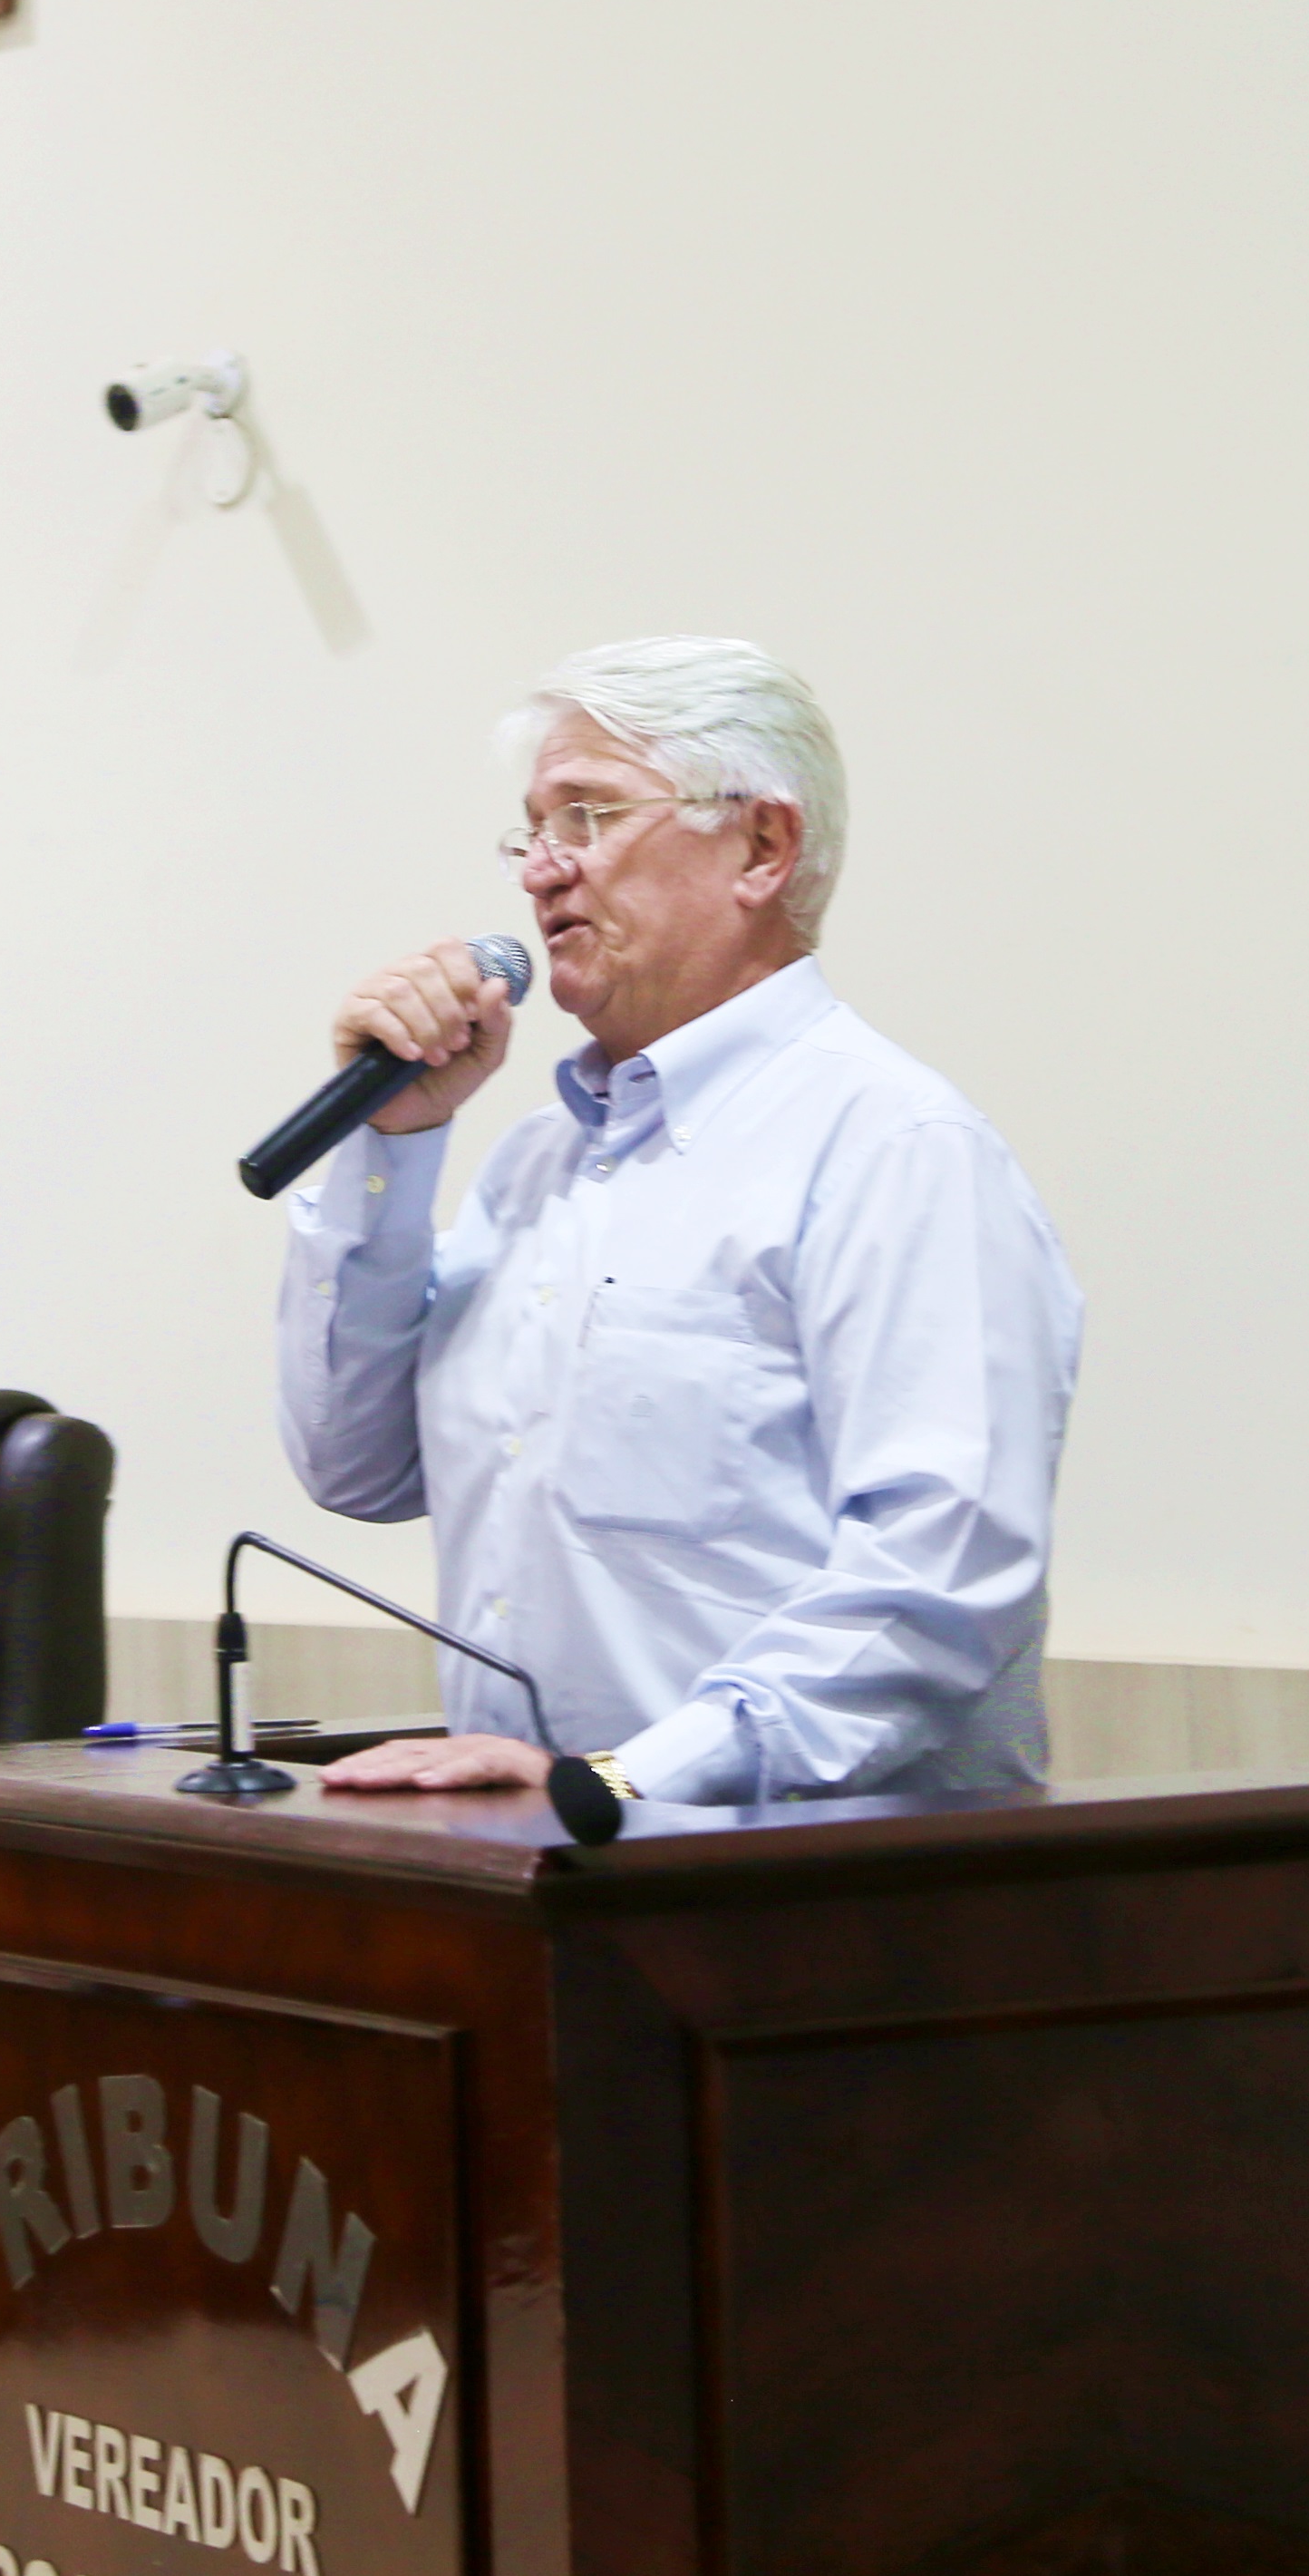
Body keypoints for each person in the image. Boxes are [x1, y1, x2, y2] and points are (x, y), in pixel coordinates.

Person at [280, 636, 1082, 1810]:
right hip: (543, 1882)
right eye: (532, 831)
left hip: (808, 1920)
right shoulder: (532, 1165)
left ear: (763, 844)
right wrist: (389, 1143)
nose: (542, 872)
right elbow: (354, 1465)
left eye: (589, 818)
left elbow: (942, 1574)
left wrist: (619, 1781)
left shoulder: (895, 1149)